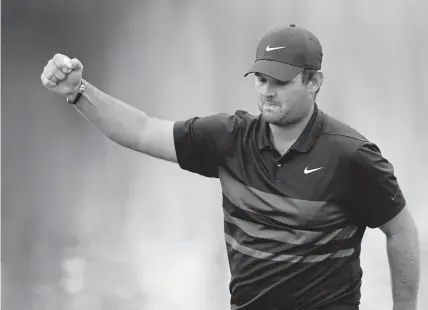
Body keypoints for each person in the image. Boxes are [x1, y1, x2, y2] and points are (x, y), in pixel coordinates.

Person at [40, 24, 420, 310]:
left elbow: (401, 231)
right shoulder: (229, 138)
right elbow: (141, 130)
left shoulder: (352, 156)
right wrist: (78, 91)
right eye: (261, 78)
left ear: (314, 81)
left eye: (281, 82)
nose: (267, 92)